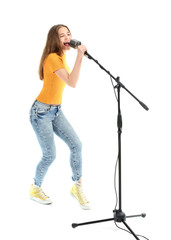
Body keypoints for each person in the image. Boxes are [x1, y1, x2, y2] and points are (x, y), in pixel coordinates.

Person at [29, 24, 90, 210]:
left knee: (76, 144)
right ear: (54, 40)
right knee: (50, 155)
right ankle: (35, 188)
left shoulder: (61, 56)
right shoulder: (53, 58)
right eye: (62, 35)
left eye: (68, 34)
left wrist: (78, 57)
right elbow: (72, 82)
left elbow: (70, 80)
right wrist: (80, 56)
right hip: (41, 113)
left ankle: (76, 186)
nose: (67, 37)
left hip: (56, 110)